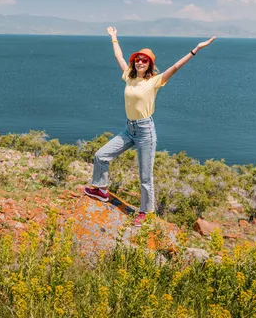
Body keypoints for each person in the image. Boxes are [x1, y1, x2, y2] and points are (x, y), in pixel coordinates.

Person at [84, 26, 216, 226]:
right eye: (138, 59)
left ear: (150, 64)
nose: (140, 62)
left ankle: (146, 212)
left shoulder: (155, 81)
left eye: (144, 60)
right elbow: (119, 58)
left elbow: (176, 67)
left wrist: (196, 49)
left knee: (145, 176)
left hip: (145, 131)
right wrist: (114, 37)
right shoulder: (129, 76)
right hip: (129, 129)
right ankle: (101, 190)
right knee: (101, 155)